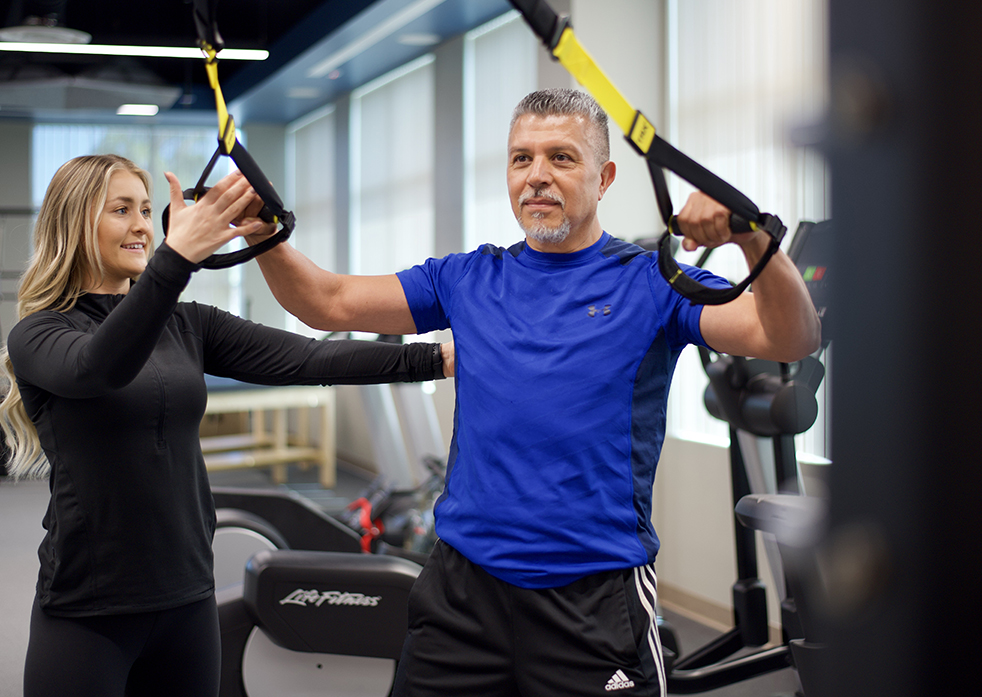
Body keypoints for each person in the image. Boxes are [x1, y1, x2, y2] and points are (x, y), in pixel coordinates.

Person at [243, 88, 821, 697]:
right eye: (522, 159)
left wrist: (755, 240)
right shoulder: (466, 277)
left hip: (592, 599)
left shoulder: (652, 281)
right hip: (460, 593)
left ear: (605, 178)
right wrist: (264, 236)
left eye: (561, 158)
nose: (537, 177)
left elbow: (788, 338)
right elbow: (325, 302)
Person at [0, 154, 454, 697]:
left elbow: (308, 359)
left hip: (187, 600)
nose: (143, 224)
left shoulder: (187, 324)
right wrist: (177, 258)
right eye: (122, 210)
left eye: (146, 209)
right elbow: (101, 366)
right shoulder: (41, 333)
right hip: (88, 610)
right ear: (74, 224)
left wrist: (436, 359)